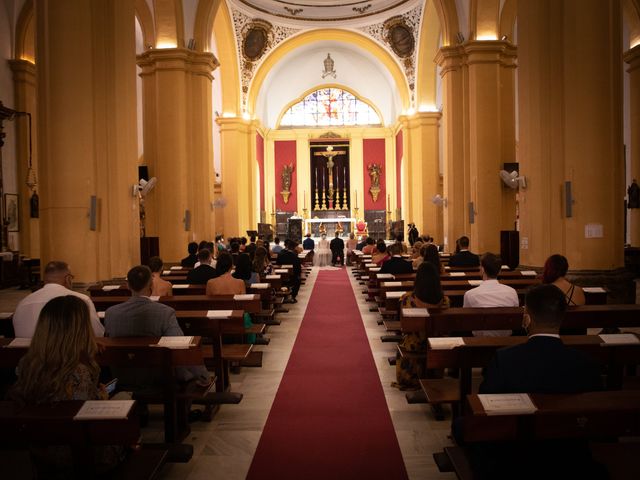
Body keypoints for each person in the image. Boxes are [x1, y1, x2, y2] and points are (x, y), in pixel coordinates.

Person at [461, 284, 604, 480]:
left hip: (516, 459)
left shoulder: (505, 359)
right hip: (570, 459)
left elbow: (486, 406)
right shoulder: (586, 362)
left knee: (462, 428)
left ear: (527, 317)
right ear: (561, 318)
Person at [10, 296, 126, 476]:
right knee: (125, 400)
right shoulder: (79, 371)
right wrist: (101, 398)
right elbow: (87, 418)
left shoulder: (28, 363)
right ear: (81, 328)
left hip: (40, 452)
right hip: (79, 455)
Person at [105, 266, 211, 385]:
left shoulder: (111, 313)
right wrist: (202, 375)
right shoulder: (165, 312)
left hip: (122, 376)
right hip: (158, 377)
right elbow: (181, 346)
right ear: (151, 286)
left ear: (128, 285)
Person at [393, 263, 449, 390]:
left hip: (415, 344)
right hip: (437, 342)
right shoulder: (445, 300)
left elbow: (402, 325)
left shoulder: (407, 299)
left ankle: (411, 376)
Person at [13, 261, 104, 338]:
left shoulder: (23, 302)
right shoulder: (82, 300)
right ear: (68, 279)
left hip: (29, 356)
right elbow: (97, 333)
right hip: (70, 357)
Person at [463, 253, 519, 336]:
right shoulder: (512, 292)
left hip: (479, 340)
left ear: (482, 270)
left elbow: (466, 318)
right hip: (507, 339)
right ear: (499, 271)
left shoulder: (470, 294)